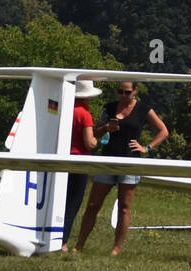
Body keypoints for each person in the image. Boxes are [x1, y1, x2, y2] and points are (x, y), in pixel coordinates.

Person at [74, 80, 168, 255]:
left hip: (130, 161)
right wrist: (105, 128)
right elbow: (94, 132)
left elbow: (163, 131)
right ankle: (79, 245)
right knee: (93, 204)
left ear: (135, 91)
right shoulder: (109, 108)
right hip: (108, 159)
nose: (123, 96)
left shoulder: (143, 109)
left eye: (127, 92)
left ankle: (116, 249)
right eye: (120, 92)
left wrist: (146, 148)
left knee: (124, 207)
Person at [61, 79, 100, 250]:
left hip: (62, 159)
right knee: (72, 203)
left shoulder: (64, 108)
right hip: (79, 162)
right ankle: (62, 241)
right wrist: (97, 140)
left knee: (60, 200)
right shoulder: (84, 114)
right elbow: (89, 143)